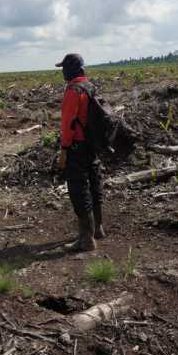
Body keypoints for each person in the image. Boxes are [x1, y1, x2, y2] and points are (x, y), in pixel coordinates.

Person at [56, 53, 105, 252]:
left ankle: (86, 239)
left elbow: (67, 123)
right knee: (95, 184)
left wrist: (64, 150)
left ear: (71, 69)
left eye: (63, 68)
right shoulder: (91, 87)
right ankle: (98, 229)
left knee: (79, 190)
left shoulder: (73, 90)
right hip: (93, 146)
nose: (62, 73)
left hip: (77, 146)